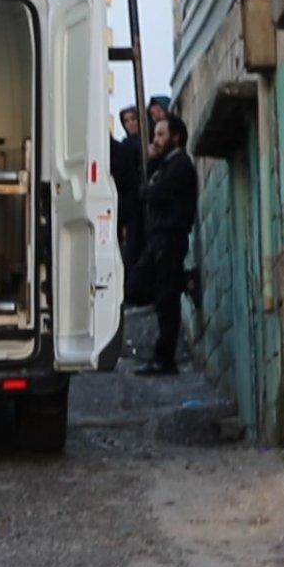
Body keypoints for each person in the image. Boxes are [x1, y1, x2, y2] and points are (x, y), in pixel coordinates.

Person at [127, 114, 197, 376]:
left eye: (160, 135)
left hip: (170, 237)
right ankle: (184, 281)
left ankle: (165, 359)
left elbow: (154, 193)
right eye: (155, 135)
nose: (155, 140)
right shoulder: (166, 165)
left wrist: (148, 190)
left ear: (175, 138)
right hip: (158, 239)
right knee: (137, 286)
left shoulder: (180, 165)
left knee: (167, 301)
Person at [112, 107, 144, 268]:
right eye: (126, 121)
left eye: (134, 119)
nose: (130, 123)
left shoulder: (146, 141)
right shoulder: (125, 145)